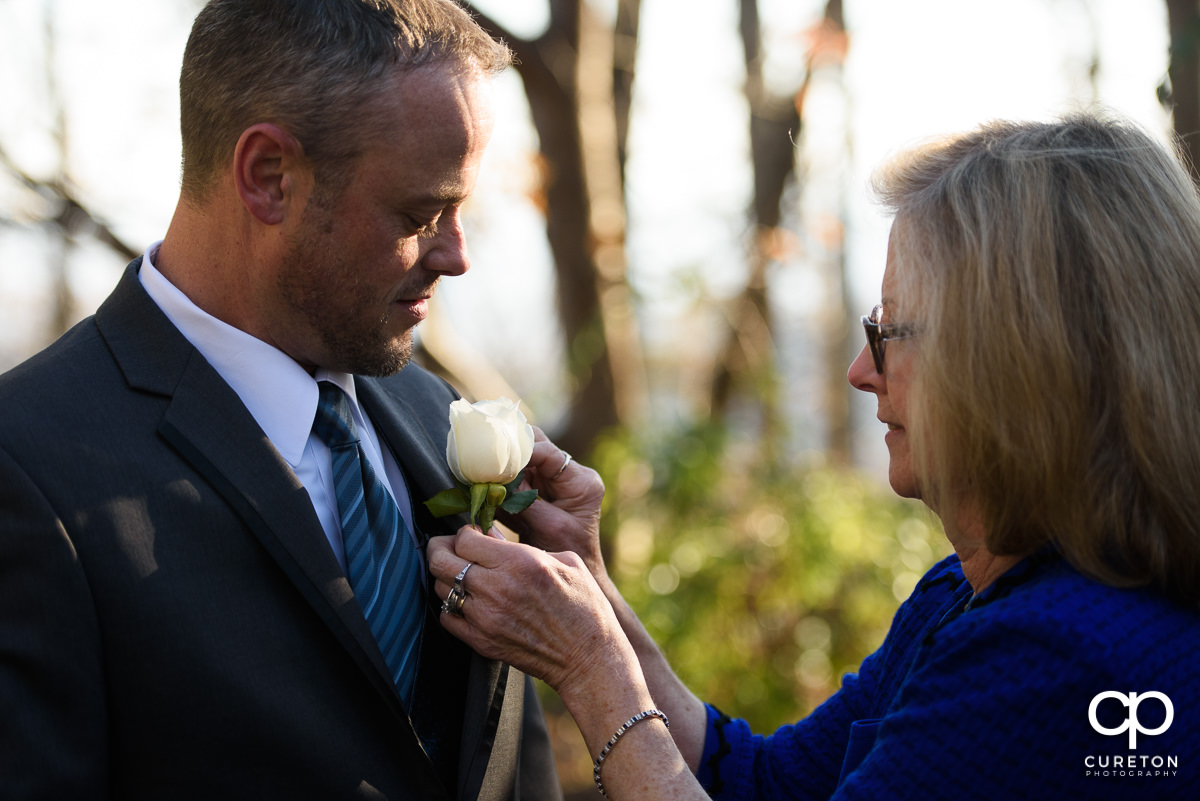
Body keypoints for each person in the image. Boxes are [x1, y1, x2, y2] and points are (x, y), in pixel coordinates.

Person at [426, 112, 1200, 799]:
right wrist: (592, 590)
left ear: (1014, 364)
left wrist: (591, 672)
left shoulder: (1056, 657)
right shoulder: (966, 594)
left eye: (888, 334)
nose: (861, 372)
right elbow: (766, 782)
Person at [0, 2, 563, 799]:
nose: (456, 254)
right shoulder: (24, 468)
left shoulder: (438, 415)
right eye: (420, 213)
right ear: (268, 176)